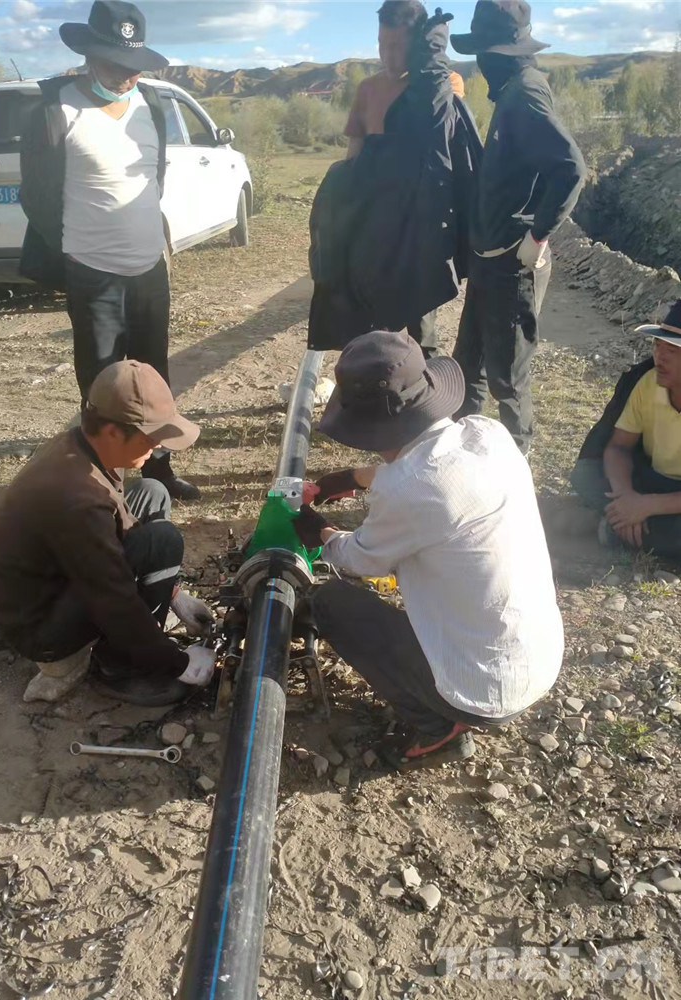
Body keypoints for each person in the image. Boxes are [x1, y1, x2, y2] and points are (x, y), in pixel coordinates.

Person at [293, 331, 563, 769]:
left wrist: (316, 530)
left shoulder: (410, 489)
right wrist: (352, 478)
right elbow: (422, 465)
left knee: (331, 603)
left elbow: (358, 558)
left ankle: (437, 727)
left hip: (481, 690)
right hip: (535, 660)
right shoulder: (487, 434)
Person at [19, 0, 199, 501]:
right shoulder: (54, 111)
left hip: (149, 269)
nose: (127, 76)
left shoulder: (152, 105)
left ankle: (158, 472)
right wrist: (77, 246)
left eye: (134, 65)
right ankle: (105, 483)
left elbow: (154, 178)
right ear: (89, 57)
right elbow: (36, 196)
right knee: (101, 384)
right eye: (116, 64)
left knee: (154, 377)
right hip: (91, 271)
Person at [0, 360, 216, 706]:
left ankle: (145, 626)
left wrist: (173, 594)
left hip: (55, 583)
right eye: (151, 437)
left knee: (152, 491)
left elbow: (119, 523)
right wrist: (177, 661)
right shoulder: (78, 498)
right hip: (40, 628)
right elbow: (112, 598)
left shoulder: (82, 446)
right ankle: (121, 666)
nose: (158, 447)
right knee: (162, 541)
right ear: (112, 431)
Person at [449, 0, 586, 454]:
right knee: (468, 366)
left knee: (507, 377)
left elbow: (570, 168)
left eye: (483, 52)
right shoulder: (512, 91)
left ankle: (517, 466)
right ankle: (464, 464)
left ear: (500, 53)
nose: (480, 62)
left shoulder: (525, 94)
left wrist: (538, 234)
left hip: (512, 262)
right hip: (490, 261)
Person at [307, 5, 481, 354]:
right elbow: (354, 155)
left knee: (421, 321)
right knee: (371, 320)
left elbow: (439, 133)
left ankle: (424, 380)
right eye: (381, 44)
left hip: (420, 225)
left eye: (396, 46)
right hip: (376, 222)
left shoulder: (444, 84)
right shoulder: (368, 89)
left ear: (416, 44)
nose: (386, 55)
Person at [570, 301, 681, 564]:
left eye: (671, 350)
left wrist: (647, 505)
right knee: (585, 474)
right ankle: (627, 522)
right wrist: (625, 496)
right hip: (652, 479)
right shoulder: (648, 383)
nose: (659, 357)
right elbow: (618, 447)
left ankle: (611, 524)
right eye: (656, 345)